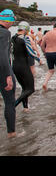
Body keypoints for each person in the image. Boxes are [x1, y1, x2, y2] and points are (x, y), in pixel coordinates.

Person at [12, 22, 36, 112]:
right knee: (31, 89)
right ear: (26, 29)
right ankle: (14, 105)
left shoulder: (13, 38)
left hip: (14, 66)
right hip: (23, 66)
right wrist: (38, 58)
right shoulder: (24, 38)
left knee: (24, 88)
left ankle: (25, 108)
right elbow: (30, 51)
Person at [0, 9, 16, 138]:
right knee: (9, 102)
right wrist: (8, 75)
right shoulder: (5, 33)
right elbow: (3, 56)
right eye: (12, 20)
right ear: (8, 20)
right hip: (3, 71)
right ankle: (11, 133)